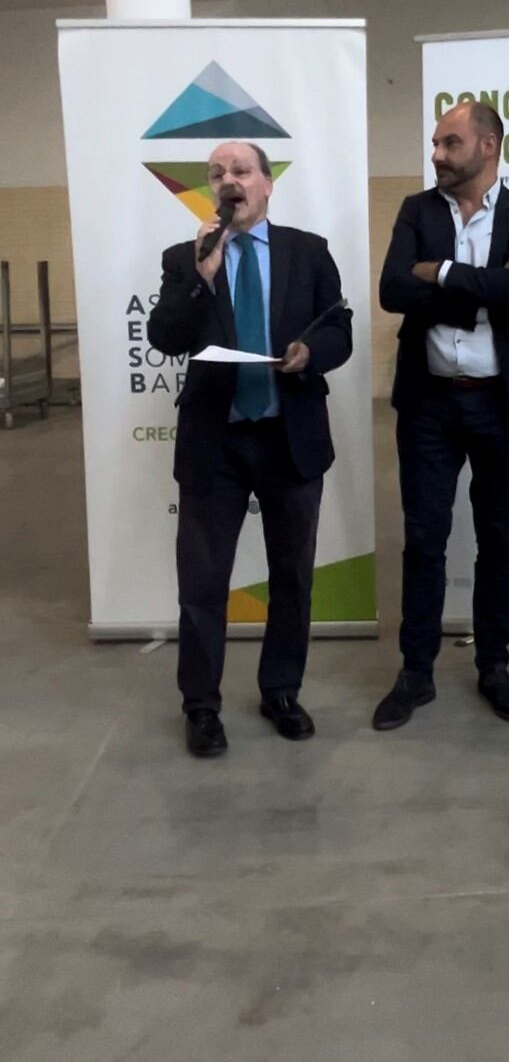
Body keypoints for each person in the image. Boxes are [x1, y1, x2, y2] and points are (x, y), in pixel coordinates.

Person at [147, 141, 352, 757]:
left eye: (240, 171)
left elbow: (338, 326)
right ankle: (202, 707)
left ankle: (281, 691)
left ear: (266, 184)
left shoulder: (308, 251)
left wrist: (312, 353)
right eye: (217, 174)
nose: (228, 181)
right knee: (203, 583)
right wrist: (200, 280)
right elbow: (165, 337)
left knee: (292, 577)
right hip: (217, 442)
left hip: (289, 439)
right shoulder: (187, 258)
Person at [373, 101, 509, 730]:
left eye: (449, 143)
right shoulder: (416, 210)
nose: (436, 154)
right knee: (423, 539)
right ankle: (415, 673)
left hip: (502, 403)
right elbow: (393, 290)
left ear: (488, 145)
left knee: (496, 540)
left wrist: (445, 272)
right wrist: (484, 287)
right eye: (434, 143)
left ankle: (494, 667)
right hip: (429, 403)